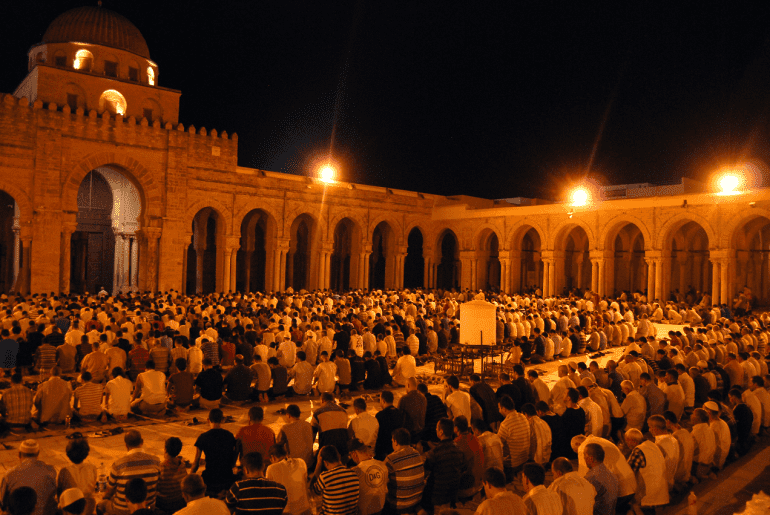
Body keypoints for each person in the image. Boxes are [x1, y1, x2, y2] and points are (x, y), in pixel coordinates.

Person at [101, 431, 161, 515]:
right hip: (148, 507)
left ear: (126, 445)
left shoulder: (118, 464)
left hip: (122, 510)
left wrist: (105, 498)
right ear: (142, 442)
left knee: (102, 504)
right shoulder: (156, 461)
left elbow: (109, 490)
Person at [0, 440, 56, 515]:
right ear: (38, 454)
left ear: (19, 454)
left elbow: (2, 503)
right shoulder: (51, 471)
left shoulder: (9, 475)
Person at [422, 418, 466, 512]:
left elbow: (424, 473)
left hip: (437, 495)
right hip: (453, 492)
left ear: (441, 432)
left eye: (437, 429)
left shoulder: (434, 452)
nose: (436, 431)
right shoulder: (459, 450)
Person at [191, 409, 237, 496]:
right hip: (227, 477)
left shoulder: (203, 437)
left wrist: (190, 477)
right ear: (223, 420)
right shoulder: (229, 435)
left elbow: (196, 463)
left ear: (208, 420)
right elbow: (233, 458)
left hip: (210, 479)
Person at [624, 428, 669, 513]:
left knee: (627, 500)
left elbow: (628, 473)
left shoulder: (638, 450)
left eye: (627, 441)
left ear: (632, 441)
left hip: (648, 495)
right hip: (662, 492)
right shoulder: (652, 445)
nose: (627, 444)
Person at [384, 428, 425, 515]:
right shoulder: (417, 454)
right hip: (417, 500)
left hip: (400, 505)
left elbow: (382, 479)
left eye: (392, 441)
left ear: (395, 442)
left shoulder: (391, 459)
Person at [311, 446, 360, 515]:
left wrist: (318, 464)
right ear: (339, 457)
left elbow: (312, 490)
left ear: (325, 462)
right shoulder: (354, 474)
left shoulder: (325, 477)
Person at [266, 444, 311, 515]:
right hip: (306, 510)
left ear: (272, 457)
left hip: (286, 512)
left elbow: (269, 493)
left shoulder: (271, 468)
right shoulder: (301, 462)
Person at [57, 438, 97, 515]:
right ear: (86, 453)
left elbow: (59, 490)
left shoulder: (64, 471)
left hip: (71, 509)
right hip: (88, 507)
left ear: (68, 454)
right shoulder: (92, 468)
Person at [350, 439, 388, 515]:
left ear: (354, 454)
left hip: (364, 512)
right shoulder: (382, 465)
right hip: (380, 509)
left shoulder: (355, 471)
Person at [497, 394, 530, 481]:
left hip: (513, 463)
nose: (499, 411)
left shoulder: (505, 424)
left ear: (504, 408)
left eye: (499, 408)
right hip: (525, 457)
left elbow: (498, 444)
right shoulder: (523, 417)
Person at [583, 443, 619, 515]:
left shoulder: (592, 477)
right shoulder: (612, 475)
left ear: (591, 458)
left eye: (584, 455)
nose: (583, 458)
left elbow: (584, 504)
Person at [647, 415, 679, 491]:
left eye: (650, 427)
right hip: (670, 481)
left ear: (655, 428)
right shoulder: (673, 439)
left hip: (661, 486)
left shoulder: (660, 444)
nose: (649, 430)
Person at [313, 392, 350, 457]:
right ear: (333, 400)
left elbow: (312, 434)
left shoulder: (318, 412)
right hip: (344, 450)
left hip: (327, 451)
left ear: (322, 400)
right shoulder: (343, 411)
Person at [155, 437, 186, 514]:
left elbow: (155, 487)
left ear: (165, 449)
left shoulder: (160, 467)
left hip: (164, 504)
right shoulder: (182, 465)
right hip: (180, 502)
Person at [374, 390, 406, 460]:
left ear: (383, 401)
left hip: (384, 450)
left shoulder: (380, 415)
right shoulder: (400, 413)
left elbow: (377, 435)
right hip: (398, 445)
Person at [690, 408, 716, 480]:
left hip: (699, 467)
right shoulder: (709, 429)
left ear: (699, 419)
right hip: (709, 464)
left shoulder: (697, 432)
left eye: (693, 414)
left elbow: (690, 450)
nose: (691, 416)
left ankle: (697, 477)